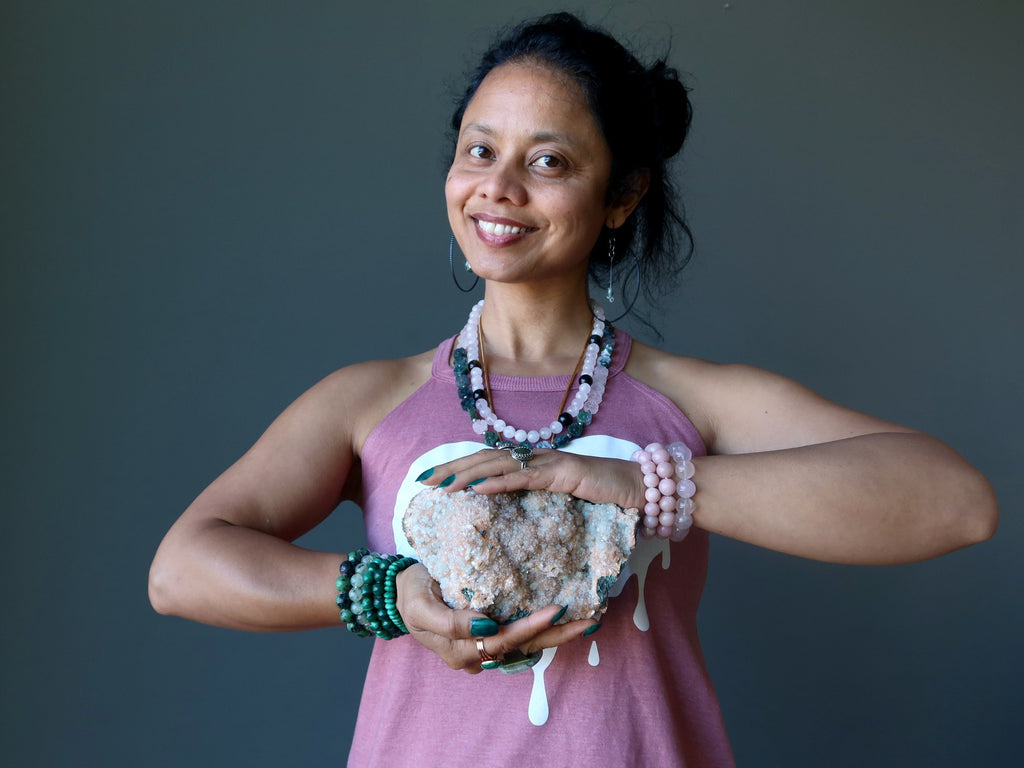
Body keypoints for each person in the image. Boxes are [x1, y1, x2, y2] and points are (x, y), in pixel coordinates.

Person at [148, 12, 998, 767]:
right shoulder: (369, 400)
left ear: (622, 193)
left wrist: (650, 485)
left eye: (547, 160)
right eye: (480, 150)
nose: (499, 187)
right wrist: (387, 596)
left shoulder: (690, 403)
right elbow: (182, 568)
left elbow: (955, 502)